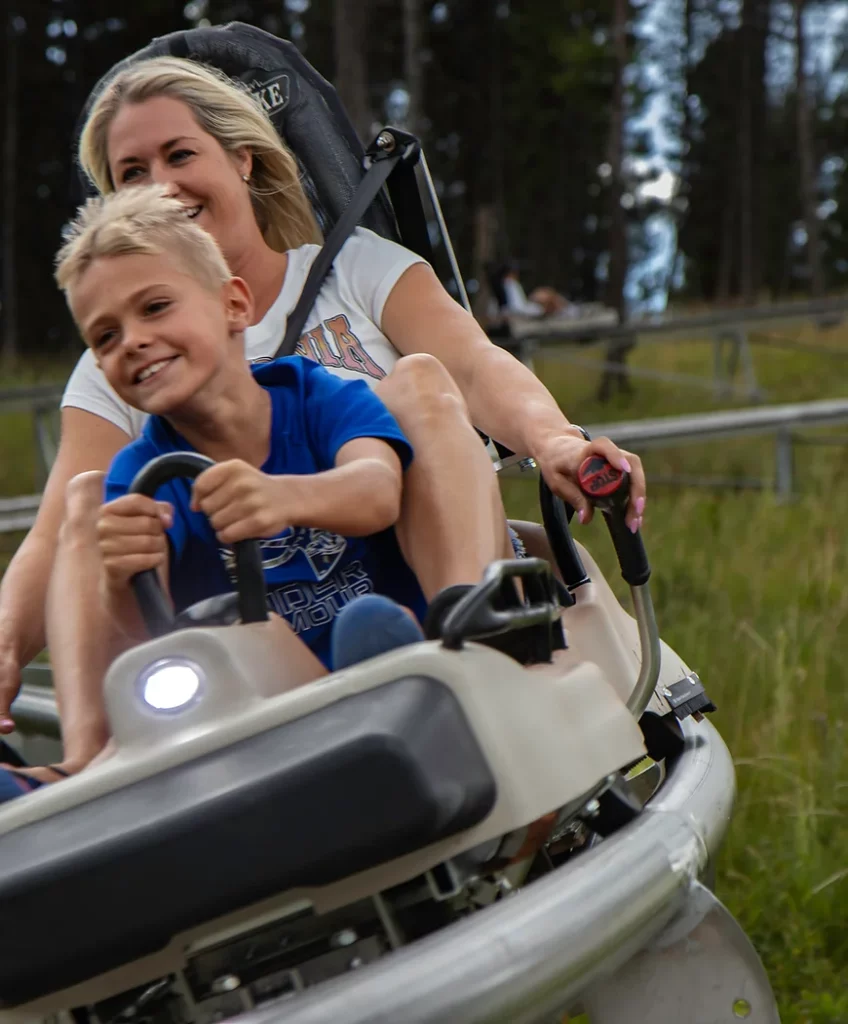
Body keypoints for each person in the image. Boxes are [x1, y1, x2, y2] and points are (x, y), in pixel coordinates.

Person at [0, 55, 645, 782]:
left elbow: (473, 365)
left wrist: (556, 440)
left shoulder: (355, 271)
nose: (161, 184)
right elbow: (60, 526)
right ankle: (91, 767)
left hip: (408, 564)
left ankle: (465, 648)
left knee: (418, 382)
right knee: (95, 501)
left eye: (180, 154)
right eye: (132, 173)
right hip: (249, 635)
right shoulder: (130, 357)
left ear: (243, 158)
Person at [0, 186, 434, 802]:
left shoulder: (314, 394)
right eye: (105, 338)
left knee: (368, 625)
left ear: (233, 304)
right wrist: (119, 579)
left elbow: (377, 491)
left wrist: (283, 498)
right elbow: (143, 649)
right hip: (261, 706)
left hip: (387, 653)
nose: (133, 341)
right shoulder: (142, 474)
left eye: (154, 307)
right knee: (105, 539)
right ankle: (83, 781)